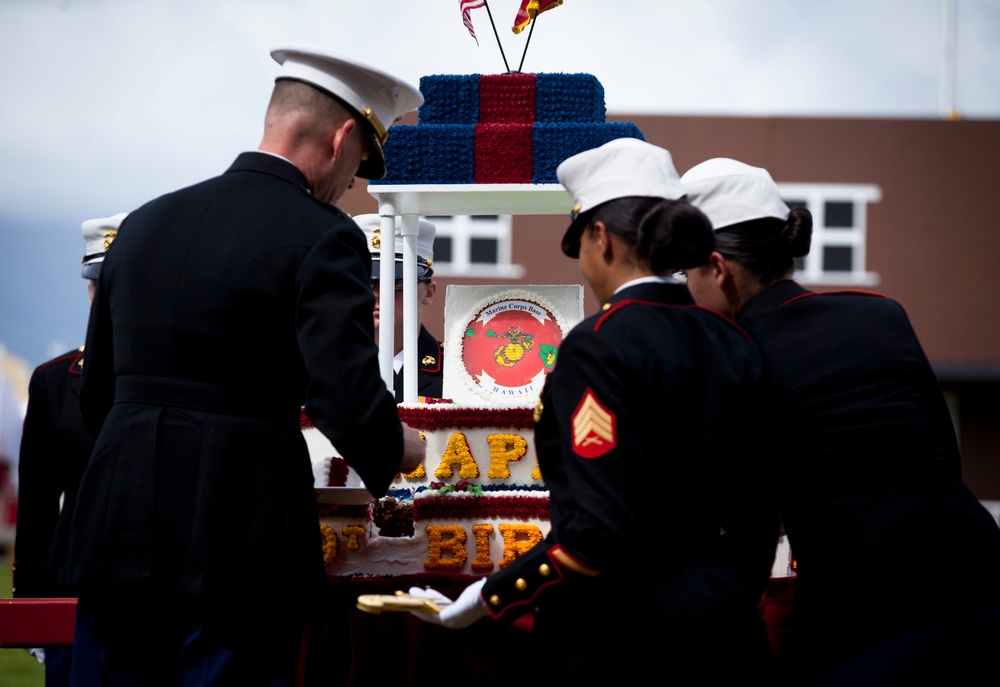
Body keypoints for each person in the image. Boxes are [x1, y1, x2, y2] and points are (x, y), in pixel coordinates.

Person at [59, 46, 426, 686]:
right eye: (359, 168)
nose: (349, 186)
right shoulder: (324, 235)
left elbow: (97, 396)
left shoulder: (144, 224)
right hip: (237, 541)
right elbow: (343, 395)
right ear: (344, 138)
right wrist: (400, 447)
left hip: (116, 531)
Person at [408, 138, 779, 682]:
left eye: (578, 240)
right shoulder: (732, 338)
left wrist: (493, 596)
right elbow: (759, 512)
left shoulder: (599, 345)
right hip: (729, 636)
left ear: (600, 238)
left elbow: (600, 533)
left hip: (621, 644)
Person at [680, 157, 1000, 685]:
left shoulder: (732, 357)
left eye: (686, 274)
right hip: (979, 575)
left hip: (866, 614)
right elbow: (945, 452)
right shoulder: (880, 313)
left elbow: (740, 516)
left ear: (717, 268)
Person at [13, 213, 125, 686]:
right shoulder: (55, 380)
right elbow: (38, 504)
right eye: (99, 284)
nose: (107, 298)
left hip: (151, 597)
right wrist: (32, 604)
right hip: (71, 591)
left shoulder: (170, 379)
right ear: (88, 290)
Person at [354, 214, 443, 401]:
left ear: (429, 293)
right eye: (365, 281)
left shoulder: (457, 371)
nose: (378, 294)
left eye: (398, 283)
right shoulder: (324, 367)